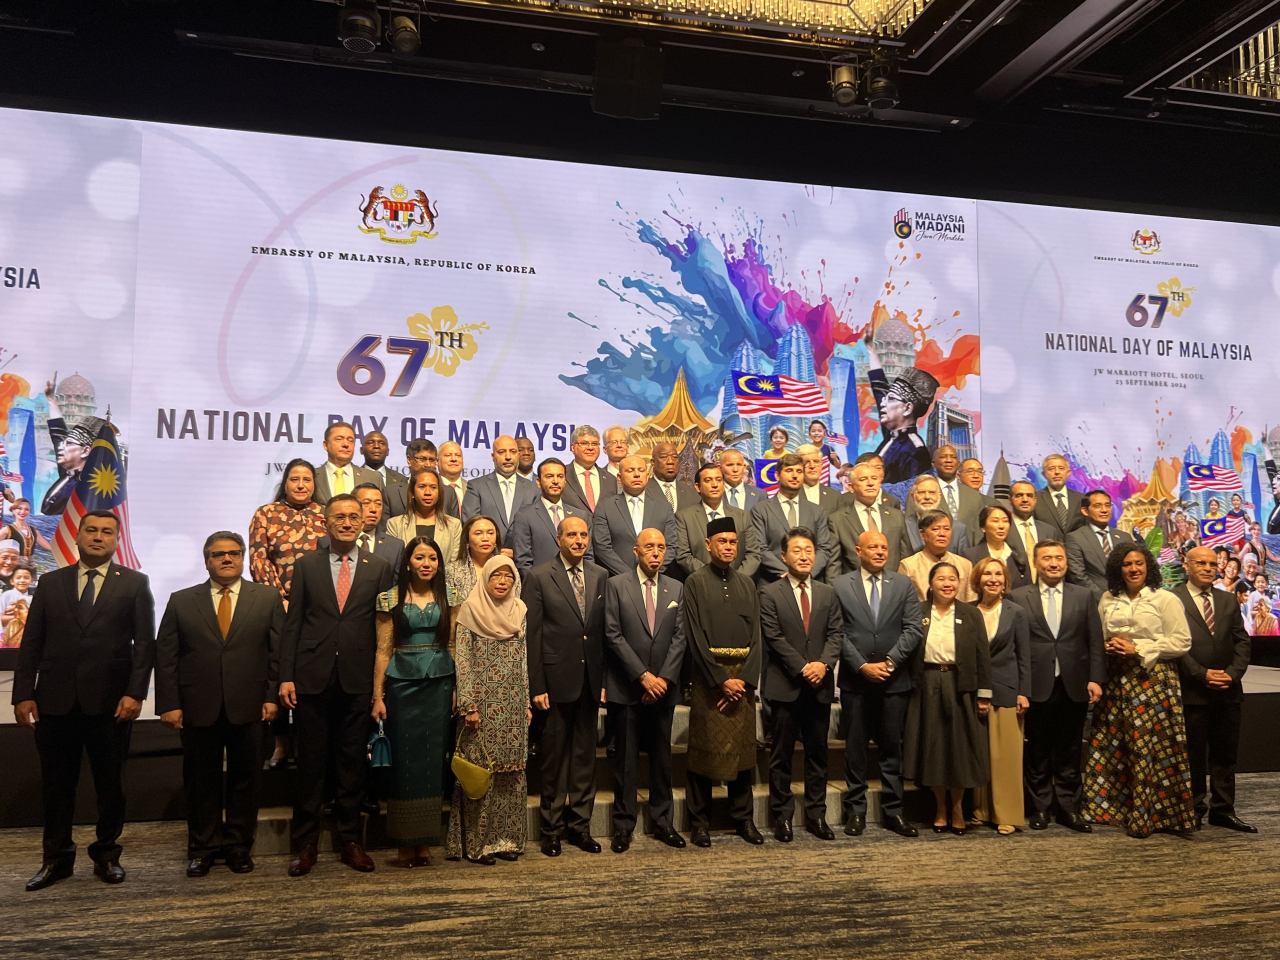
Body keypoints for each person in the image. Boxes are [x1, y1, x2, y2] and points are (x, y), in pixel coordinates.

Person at [13, 510, 155, 891]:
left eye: (107, 532)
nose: (98, 536)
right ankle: (56, 860)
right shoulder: (51, 582)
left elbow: (144, 646)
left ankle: (107, 855)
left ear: (116, 540)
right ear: (77, 536)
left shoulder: (136, 584)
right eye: (91, 530)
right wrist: (23, 693)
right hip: (55, 702)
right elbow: (32, 643)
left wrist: (135, 693)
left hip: (111, 704)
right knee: (56, 786)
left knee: (111, 786)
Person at [277, 493, 395, 876]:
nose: (346, 522)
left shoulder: (379, 567)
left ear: (363, 522)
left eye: (353, 517)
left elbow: (383, 629)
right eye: (339, 517)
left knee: (350, 765)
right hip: (312, 676)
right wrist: (287, 675)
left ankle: (350, 840)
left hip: (358, 678)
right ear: (325, 522)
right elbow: (294, 622)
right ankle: (306, 844)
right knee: (310, 764)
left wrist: (379, 689)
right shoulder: (307, 564)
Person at [155, 532, 284, 877]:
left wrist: (272, 698)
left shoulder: (267, 597)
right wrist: (169, 703)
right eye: (218, 554)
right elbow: (166, 657)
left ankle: (239, 846)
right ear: (207, 560)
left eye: (233, 553)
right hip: (198, 705)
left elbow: (277, 654)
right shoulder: (182, 600)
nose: (227, 559)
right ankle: (203, 848)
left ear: (242, 558)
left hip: (252, 704)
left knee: (247, 780)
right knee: (201, 781)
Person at [1083, 543, 1196, 838]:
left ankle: (1152, 816)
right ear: (1117, 569)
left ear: (1149, 567)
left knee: (1150, 748)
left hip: (1154, 680)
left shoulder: (1165, 599)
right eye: (1127, 564)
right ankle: (1116, 810)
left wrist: (1138, 648)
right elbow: (1100, 635)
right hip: (1117, 679)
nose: (1134, 569)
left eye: (1140, 564)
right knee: (1116, 746)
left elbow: (1181, 643)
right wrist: (1109, 645)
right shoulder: (1108, 598)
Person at [524, 515, 608, 855]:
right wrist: (536, 685)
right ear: (559, 539)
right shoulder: (539, 576)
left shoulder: (601, 575)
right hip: (554, 682)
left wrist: (603, 680)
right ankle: (552, 830)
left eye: (583, 534)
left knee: (585, 759)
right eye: (571, 535)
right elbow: (533, 634)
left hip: (590, 681)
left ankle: (580, 828)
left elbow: (601, 633)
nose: (578, 540)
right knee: (555, 761)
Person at [1008, 540, 1104, 832]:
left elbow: (1095, 642)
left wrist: (1096, 678)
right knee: (1037, 750)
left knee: (1070, 750)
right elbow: (1013, 646)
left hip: (1074, 683)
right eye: (1047, 558)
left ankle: (1068, 809)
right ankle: (1040, 808)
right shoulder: (1017, 596)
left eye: (1059, 558)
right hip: (1035, 685)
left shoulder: (1084, 595)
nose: (1053, 563)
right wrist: (1018, 688)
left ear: (1066, 562)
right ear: (1036, 563)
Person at [681, 516, 764, 846]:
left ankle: (743, 820)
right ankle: (699, 822)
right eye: (722, 542)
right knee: (704, 751)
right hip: (709, 679)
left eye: (733, 542)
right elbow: (695, 636)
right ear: (708, 545)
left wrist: (743, 679)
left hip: (742, 681)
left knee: (744, 754)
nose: (729, 547)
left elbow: (757, 636)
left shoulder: (747, 583)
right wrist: (720, 680)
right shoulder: (695, 583)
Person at [832, 530, 921, 837]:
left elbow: (912, 629)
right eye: (873, 547)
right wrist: (861, 665)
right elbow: (837, 631)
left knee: (892, 749)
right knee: (855, 750)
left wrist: (890, 662)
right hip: (856, 681)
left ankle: (893, 812)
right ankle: (855, 811)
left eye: (884, 547)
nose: (881, 552)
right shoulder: (840, 585)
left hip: (894, 680)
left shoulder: (903, 584)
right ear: (859, 550)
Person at [372, 537, 455, 866]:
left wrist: (459, 690)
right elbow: (382, 650)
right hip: (401, 686)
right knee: (405, 764)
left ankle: (426, 841)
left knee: (434, 763)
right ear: (407, 562)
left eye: (432, 558)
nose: (426, 563)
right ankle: (405, 842)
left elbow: (452, 645)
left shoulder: (450, 596)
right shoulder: (389, 597)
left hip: (439, 684)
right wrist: (376, 695)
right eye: (419, 557)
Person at [603, 528, 687, 852]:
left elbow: (680, 638)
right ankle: (623, 825)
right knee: (624, 761)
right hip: (627, 688)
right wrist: (642, 676)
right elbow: (612, 634)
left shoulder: (676, 587)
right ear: (635, 551)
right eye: (649, 547)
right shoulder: (616, 585)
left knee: (662, 760)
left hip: (663, 690)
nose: (656, 552)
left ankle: (663, 822)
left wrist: (663, 679)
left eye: (661, 547)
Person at [760, 526, 842, 842]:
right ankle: (782, 818)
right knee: (781, 757)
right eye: (797, 550)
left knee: (817, 755)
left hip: (819, 687)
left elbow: (836, 634)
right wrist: (803, 666)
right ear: (784, 556)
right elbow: (774, 637)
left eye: (809, 550)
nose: (804, 556)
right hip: (785, 686)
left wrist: (823, 664)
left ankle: (816, 816)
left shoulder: (827, 592)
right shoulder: (769, 593)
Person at [447, 555, 530, 864]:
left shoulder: (519, 611)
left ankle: (506, 841)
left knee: (512, 775)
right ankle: (478, 845)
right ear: (486, 579)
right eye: (497, 575)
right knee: (481, 776)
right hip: (480, 708)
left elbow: (523, 660)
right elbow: (463, 660)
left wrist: (525, 702)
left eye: (508, 576)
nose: (502, 581)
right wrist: (469, 704)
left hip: (512, 706)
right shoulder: (470, 611)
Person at [248, 458, 328, 768]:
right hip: (278, 606)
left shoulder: (324, 515)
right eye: (295, 479)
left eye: (307, 479)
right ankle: (280, 744)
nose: (301, 485)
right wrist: (280, 598)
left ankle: (308, 745)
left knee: (309, 676)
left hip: (316, 609)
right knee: (280, 671)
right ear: (285, 482)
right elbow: (259, 559)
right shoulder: (266, 514)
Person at [903, 561, 992, 835]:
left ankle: (957, 808)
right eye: (941, 578)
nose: (947, 583)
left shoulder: (970, 614)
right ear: (930, 584)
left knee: (960, 750)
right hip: (928, 683)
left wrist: (984, 695)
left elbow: (982, 657)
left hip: (960, 685)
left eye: (952, 578)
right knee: (934, 748)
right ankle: (940, 808)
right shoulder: (917, 612)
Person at [1173, 547, 1255, 832]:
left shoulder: (1228, 600)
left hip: (1227, 691)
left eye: (1212, 563)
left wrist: (1232, 675)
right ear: (1187, 565)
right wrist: (1201, 673)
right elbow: (1174, 647)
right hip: (1192, 690)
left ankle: (1223, 810)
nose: (1208, 568)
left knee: (1225, 754)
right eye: (1201, 563)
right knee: (1193, 755)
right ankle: (1194, 810)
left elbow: (1242, 642)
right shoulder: (1173, 599)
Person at [969, 557, 1031, 835]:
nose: (993, 579)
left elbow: (1023, 656)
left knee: (1006, 755)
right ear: (977, 580)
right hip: (974, 691)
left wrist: (1024, 693)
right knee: (980, 753)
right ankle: (981, 811)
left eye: (998, 574)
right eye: (987, 574)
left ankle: (1007, 814)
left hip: (1007, 690)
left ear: (1006, 580)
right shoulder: (968, 612)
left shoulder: (1016, 612)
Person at [864, 334, 938, 484]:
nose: (883, 403)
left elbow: (912, 492)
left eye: (890, 399)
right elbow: (879, 387)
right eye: (885, 399)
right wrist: (871, 349)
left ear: (907, 408)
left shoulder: (915, 451)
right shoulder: (892, 435)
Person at [752, 453, 832, 583]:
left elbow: (824, 548)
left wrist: (807, 574)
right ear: (777, 475)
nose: (795, 475)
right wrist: (787, 574)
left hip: (811, 582)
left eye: (799, 471)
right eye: (789, 470)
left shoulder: (816, 511)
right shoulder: (761, 510)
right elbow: (760, 548)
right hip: (774, 582)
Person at [593, 454, 678, 577]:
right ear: (619, 477)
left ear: (647, 476)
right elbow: (602, 548)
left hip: (656, 578)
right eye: (630, 470)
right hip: (618, 581)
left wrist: (652, 570)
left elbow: (671, 545)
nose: (637, 474)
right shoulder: (605, 507)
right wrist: (630, 577)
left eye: (641, 470)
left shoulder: (664, 507)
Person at [509, 457, 594, 576]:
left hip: (576, 584)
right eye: (549, 476)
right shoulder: (525, 516)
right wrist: (539, 586)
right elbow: (523, 561)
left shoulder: (580, 515)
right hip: (541, 587)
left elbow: (588, 556)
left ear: (565, 481)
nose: (555, 481)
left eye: (560, 476)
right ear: (538, 482)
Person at [675, 463, 759, 578]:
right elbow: (683, 556)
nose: (714, 485)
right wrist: (712, 579)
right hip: (702, 584)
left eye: (718, 480)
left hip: (738, 585)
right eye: (708, 480)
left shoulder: (742, 516)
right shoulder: (684, 517)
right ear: (698, 487)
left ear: (723, 485)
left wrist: (737, 579)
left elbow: (753, 554)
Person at [830, 462, 913, 577]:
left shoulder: (897, 516)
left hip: (893, 586)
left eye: (874, 478)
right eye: (863, 479)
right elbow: (834, 564)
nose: (870, 483)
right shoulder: (837, 520)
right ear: (851, 487)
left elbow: (906, 557)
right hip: (854, 588)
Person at [38, 378, 105, 517]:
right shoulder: (68, 468)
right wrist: (51, 399)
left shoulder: (89, 483)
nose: (61, 446)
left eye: (69, 443)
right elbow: (58, 433)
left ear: (86, 451)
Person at [462, 435, 540, 540]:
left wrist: (517, 551)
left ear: (518, 455)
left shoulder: (534, 489)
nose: (508, 457)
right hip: (488, 554)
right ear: (493, 456)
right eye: (502, 452)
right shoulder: (476, 486)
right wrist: (496, 551)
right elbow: (470, 526)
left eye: (512, 452)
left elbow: (536, 529)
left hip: (521, 555)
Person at [1066, 490, 1135, 602]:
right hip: (1095, 602)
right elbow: (1078, 576)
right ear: (1085, 511)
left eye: (1107, 505)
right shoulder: (1075, 538)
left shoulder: (1124, 537)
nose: (1104, 510)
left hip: (1128, 600)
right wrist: (1105, 599)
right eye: (1097, 506)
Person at [386, 468, 463, 563]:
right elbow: (394, 562)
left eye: (433, 487)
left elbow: (455, 565)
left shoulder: (454, 525)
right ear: (413, 492)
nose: (428, 493)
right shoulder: (395, 525)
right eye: (422, 487)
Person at [899, 510, 975, 603]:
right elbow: (903, 603)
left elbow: (971, 603)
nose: (942, 534)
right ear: (922, 534)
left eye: (946, 529)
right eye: (935, 529)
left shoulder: (965, 565)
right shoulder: (908, 566)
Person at [447, 515, 520, 608]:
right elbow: (452, 608)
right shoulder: (453, 570)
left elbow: (516, 603)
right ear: (467, 540)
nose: (485, 538)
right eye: (478, 533)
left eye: (490, 533)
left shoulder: (508, 567)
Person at [334, 483, 404, 569]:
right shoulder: (332, 541)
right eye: (366, 503)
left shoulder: (395, 546)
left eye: (378, 504)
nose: (373, 509)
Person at [963, 503, 1031, 591]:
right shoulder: (970, 555)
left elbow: (1027, 590)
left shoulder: (1020, 557)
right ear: (983, 527)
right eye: (995, 521)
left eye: (1005, 521)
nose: (1001, 526)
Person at [312, 422, 382, 505]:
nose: (346, 444)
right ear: (326, 445)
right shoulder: (313, 476)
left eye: (350, 440)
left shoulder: (373, 477)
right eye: (339, 439)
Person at [904, 475, 970, 554]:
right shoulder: (904, 527)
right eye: (922, 492)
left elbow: (963, 564)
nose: (927, 497)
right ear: (912, 497)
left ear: (939, 497)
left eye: (932, 492)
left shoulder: (958, 529)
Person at [930, 444, 986, 536]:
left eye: (953, 457)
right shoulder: (922, 492)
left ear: (958, 463)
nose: (949, 460)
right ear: (933, 463)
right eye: (943, 457)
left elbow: (978, 532)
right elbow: (911, 526)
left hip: (967, 549)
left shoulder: (973, 496)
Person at [1008, 480, 1055, 583]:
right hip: (1012, 593)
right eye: (1019, 495)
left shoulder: (1049, 531)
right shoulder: (1003, 529)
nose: (1025, 499)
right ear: (1010, 500)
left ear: (1035, 500)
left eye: (1029, 495)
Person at [1033, 455, 1086, 539]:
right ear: (1044, 474)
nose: (1057, 472)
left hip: (1076, 550)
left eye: (1061, 468)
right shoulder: (1035, 499)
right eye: (1051, 469)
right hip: (1048, 550)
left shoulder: (1081, 498)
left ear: (1068, 473)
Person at [561, 425, 611, 513]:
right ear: (573, 448)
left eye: (595, 444)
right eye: (584, 443)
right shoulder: (561, 475)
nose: (590, 448)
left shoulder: (610, 479)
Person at [360, 430, 407, 519]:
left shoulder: (401, 480)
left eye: (381, 443)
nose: (376, 446)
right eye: (370, 443)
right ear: (361, 450)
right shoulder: (353, 477)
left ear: (388, 451)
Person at [649, 441, 699, 514]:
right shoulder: (643, 491)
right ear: (653, 462)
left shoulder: (691, 493)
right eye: (664, 457)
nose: (670, 461)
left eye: (675, 457)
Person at [797, 443, 843, 517]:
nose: (812, 466)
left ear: (821, 465)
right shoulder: (791, 494)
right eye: (806, 462)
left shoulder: (835, 496)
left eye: (816, 461)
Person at [1, 559, 34, 647]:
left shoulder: (33, 598)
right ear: (12, 581)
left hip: (27, 636)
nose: (22, 580)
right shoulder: (6, 596)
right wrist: (21, 616)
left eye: (26, 578)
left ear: (32, 581)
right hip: (8, 635)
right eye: (18, 577)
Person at [437, 440, 468, 507]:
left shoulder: (471, 488)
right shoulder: (432, 487)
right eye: (448, 455)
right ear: (437, 461)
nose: (454, 459)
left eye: (458, 455)